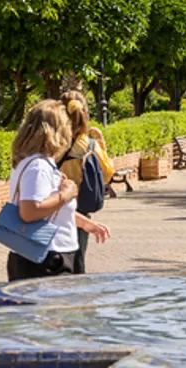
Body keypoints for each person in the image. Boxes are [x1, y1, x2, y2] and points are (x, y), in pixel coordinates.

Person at [7, 100, 111, 281]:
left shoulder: (35, 163)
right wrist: (66, 194)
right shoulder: (38, 167)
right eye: (66, 126)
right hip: (46, 258)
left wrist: (84, 223)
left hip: (44, 253)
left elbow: (46, 208)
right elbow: (30, 211)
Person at [58, 91, 115, 274]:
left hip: (52, 206)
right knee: (77, 258)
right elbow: (106, 174)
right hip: (80, 208)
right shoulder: (89, 145)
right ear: (85, 114)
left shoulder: (53, 142)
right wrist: (101, 144)